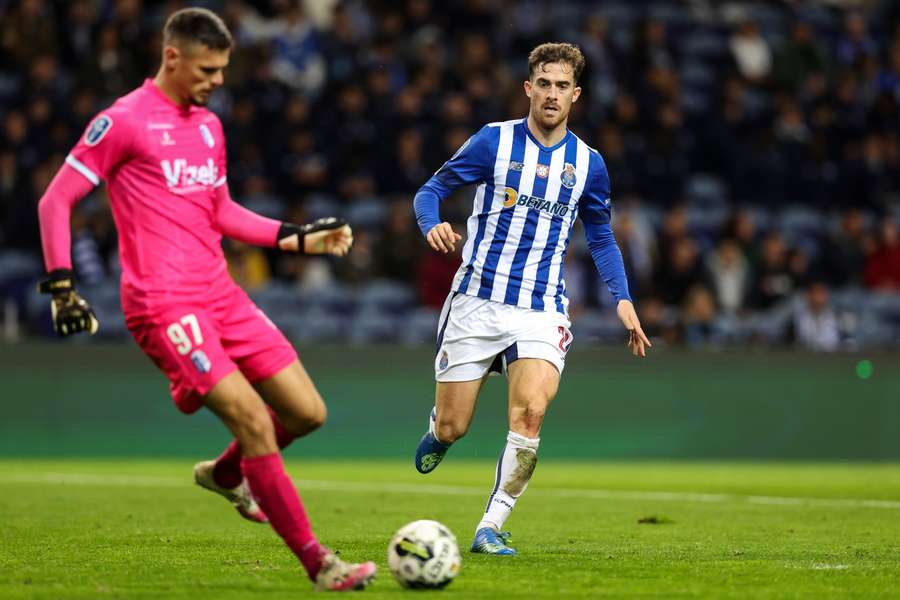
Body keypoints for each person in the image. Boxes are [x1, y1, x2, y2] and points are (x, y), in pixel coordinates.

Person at [35, 8, 375, 592]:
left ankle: (223, 474)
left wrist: (297, 238)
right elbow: (55, 200)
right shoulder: (123, 122)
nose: (218, 80)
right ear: (173, 57)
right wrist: (61, 286)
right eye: (208, 69)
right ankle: (321, 564)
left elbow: (220, 211)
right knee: (253, 423)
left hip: (221, 292)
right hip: (163, 303)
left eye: (223, 69)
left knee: (306, 413)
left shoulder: (209, 126)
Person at [412, 42, 651, 556]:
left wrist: (623, 298)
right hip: (476, 299)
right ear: (528, 87)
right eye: (543, 83)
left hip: (541, 307)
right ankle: (439, 430)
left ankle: (490, 526)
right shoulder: (492, 142)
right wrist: (432, 225)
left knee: (531, 414)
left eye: (562, 86)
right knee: (456, 425)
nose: (551, 94)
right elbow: (428, 191)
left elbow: (602, 236)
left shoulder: (588, 164)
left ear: (576, 95)